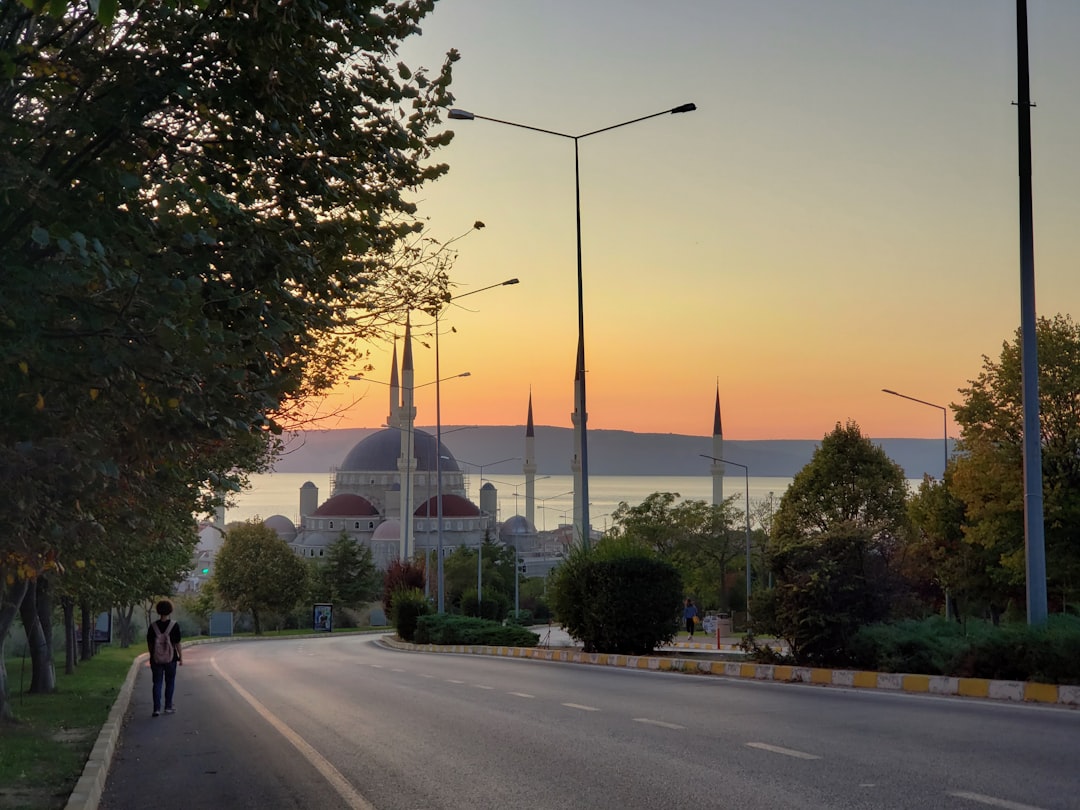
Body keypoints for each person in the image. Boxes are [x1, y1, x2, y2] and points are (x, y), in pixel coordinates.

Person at [146, 599, 183, 717]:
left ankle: (156, 709)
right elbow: (177, 643)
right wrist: (181, 657)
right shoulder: (174, 625)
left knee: (157, 683)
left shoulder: (153, 626)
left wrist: (152, 655)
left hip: (156, 659)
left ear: (158, 611)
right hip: (171, 659)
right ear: (170, 611)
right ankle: (168, 707)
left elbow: (150, 644)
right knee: (170, 682)